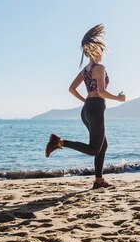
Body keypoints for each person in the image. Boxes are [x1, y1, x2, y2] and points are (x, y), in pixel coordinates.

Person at [45, 24, 126, 189]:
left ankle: (99, 181)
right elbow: (102, 92)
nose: (102, 54)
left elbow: (71, 89)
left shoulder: (86, 69)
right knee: (95, 149)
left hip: (87, 109)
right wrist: (118, 98)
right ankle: (59, 142)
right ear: (95, 50)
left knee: (103, 145)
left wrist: (86, 101)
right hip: (95, 108)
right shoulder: (99, 68)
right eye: (101, 50)